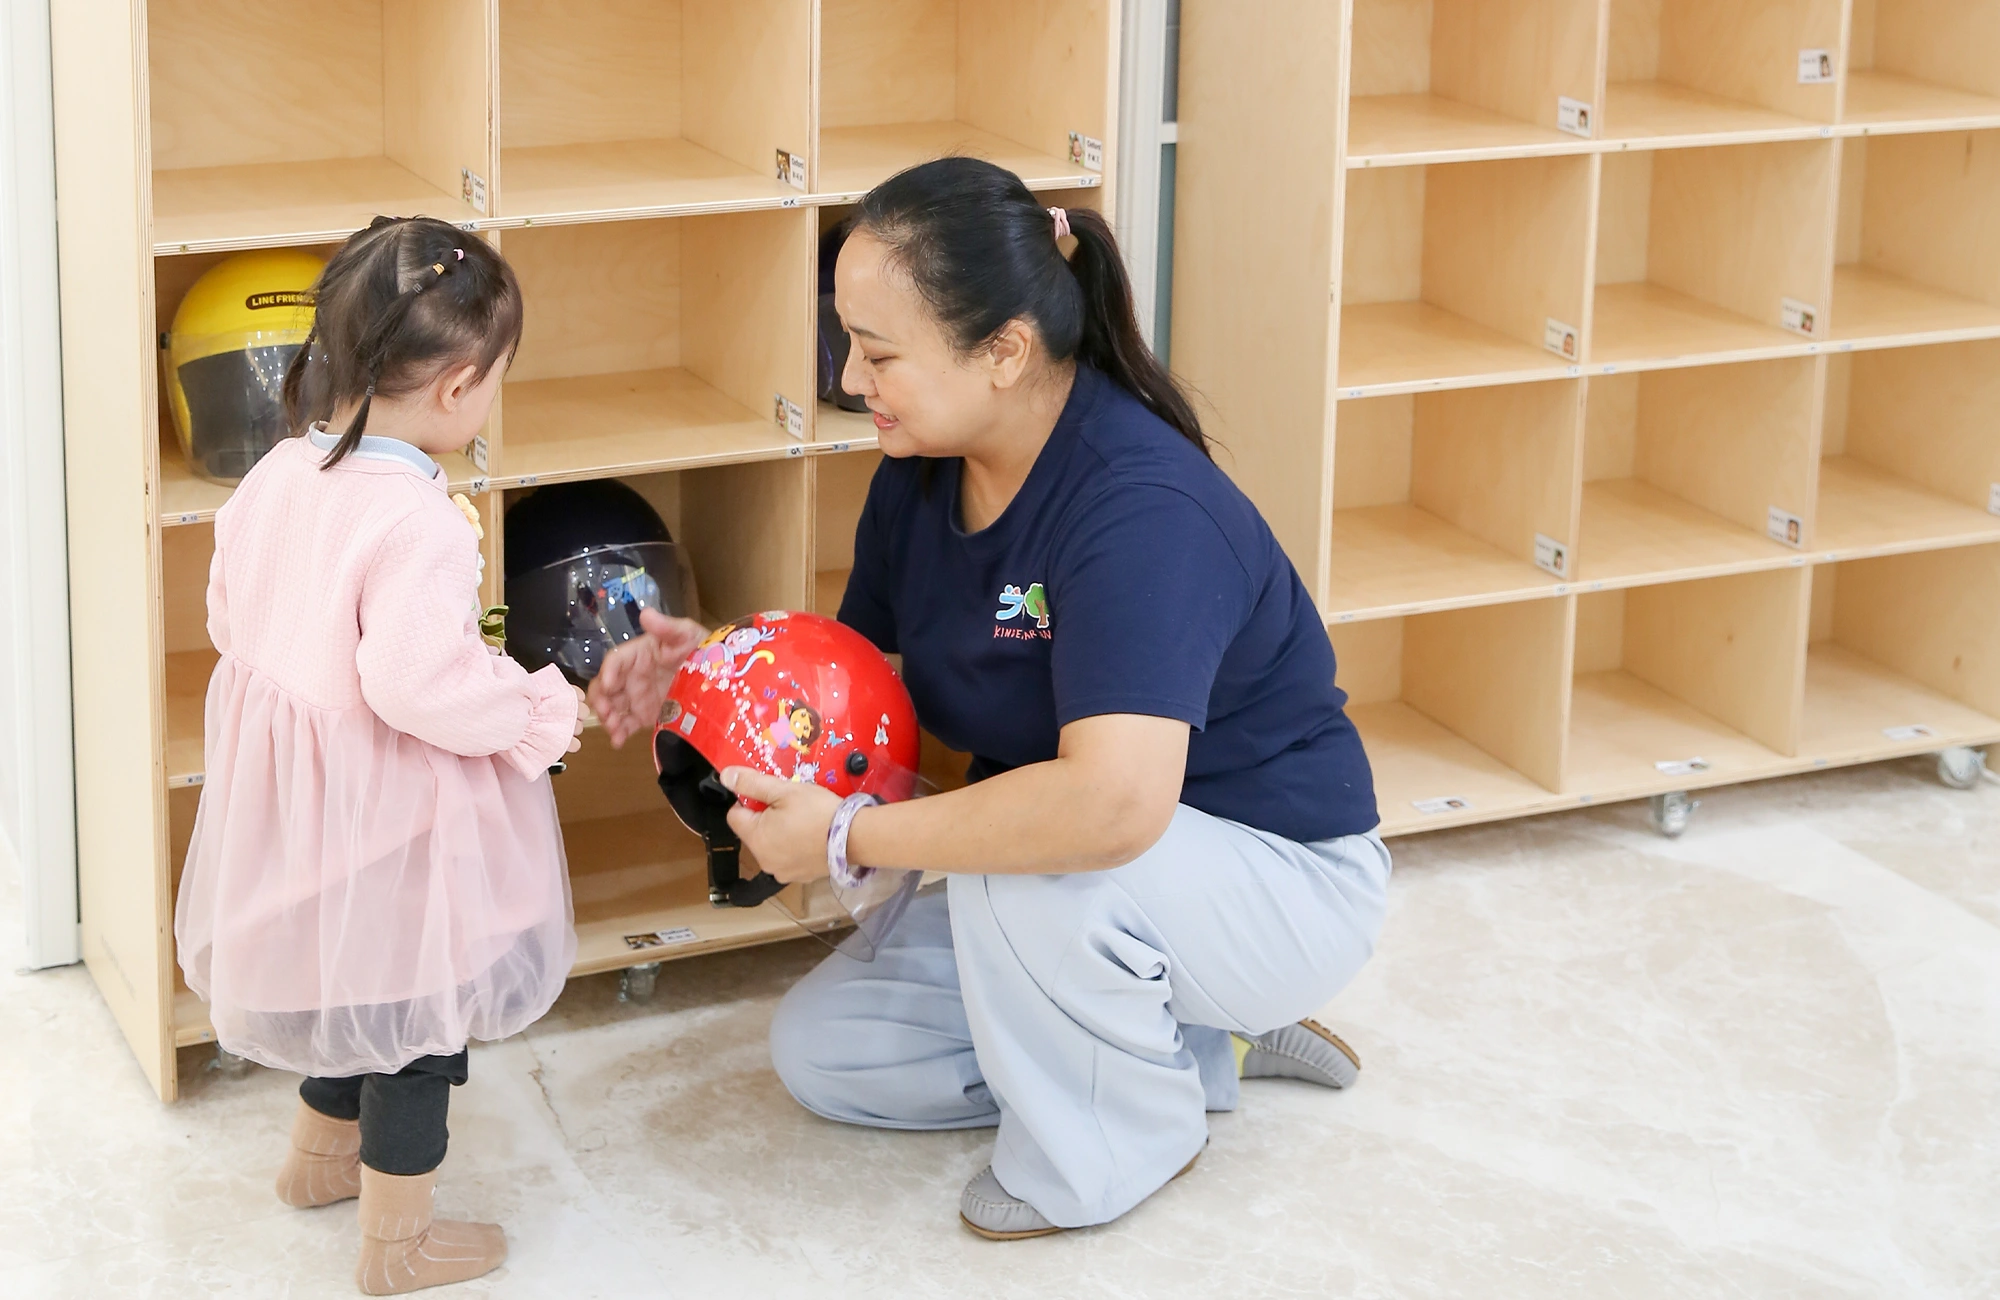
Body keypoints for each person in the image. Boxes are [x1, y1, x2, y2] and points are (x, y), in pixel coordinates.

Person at [589, 157, 1390, 1239]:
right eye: (843, 344)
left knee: (1033, 867)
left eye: (877, 353)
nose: (849, 376)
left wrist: (852, 839)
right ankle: (1194, 1035)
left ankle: (1122, 1138)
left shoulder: (1139, 508)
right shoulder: (917, 475)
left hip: (1275, 877)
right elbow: (857, 706)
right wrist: (713, 671)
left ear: (1004, 349)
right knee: (828, 1054)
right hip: (1093, 882)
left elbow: (1108, 808)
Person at [174, 216, 583, 1294]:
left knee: (346, 980)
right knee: (416, 1018)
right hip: (393, 806)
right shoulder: (416, 523)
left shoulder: (275, 473)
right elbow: (415, 685)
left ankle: (317, 1162)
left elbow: (229, 618)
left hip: (303, 805)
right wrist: (525, 711)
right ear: (457, 387)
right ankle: (398, 1246)